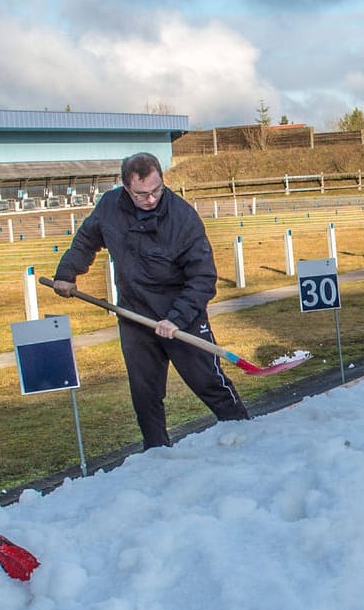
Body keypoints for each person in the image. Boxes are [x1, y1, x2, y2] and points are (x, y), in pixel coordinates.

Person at [51, 151, 249, 448]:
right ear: (126, 188)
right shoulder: (110, 208)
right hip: (135, 316)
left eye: (156, 190)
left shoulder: (182, 217)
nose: (151, 199)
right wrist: (67, 273)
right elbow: (86, 240)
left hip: (181, 316)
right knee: (145, 394)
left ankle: (248, 435)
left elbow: (203, 277)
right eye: (141, 194)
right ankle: (156, 454)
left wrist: (177, 318)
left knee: (208, 382)